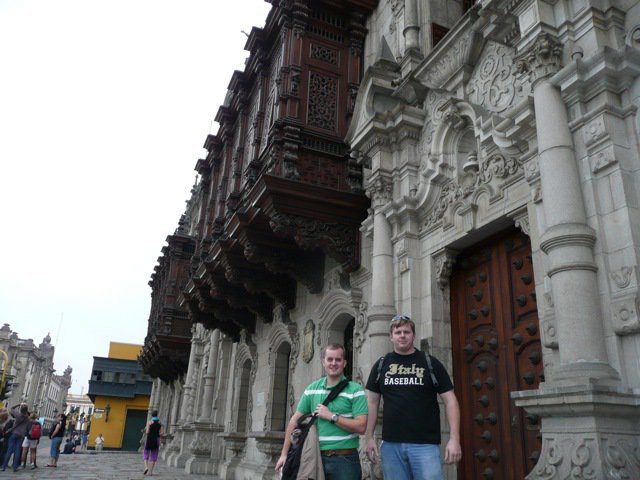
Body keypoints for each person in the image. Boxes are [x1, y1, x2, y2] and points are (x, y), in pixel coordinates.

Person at [365, 315, 462, 480]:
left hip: (425, 445)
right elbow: (372, 403)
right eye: (398, 332)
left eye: (406, 332)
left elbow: (450, 400)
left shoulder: (430, 363)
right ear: (391, 336)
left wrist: (454, 439)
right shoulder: (381, 365)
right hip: (391, 445)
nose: (402, 335)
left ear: (413, 335)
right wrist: (368, 438)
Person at [275, 343, 368, 480]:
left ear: (344, 363)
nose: (333, 363)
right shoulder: (312, 389)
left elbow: (361, 426)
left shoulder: (355, 390)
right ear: (323, 362)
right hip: (315, 459)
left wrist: (332, 416)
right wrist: (284, 454)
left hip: (345, 461)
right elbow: (294, 421)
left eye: (338, 360)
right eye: (330, 359)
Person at [2, 403, 30, 472]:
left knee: (9, 450)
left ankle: (4, 467)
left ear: (21, 410)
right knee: (17, 451)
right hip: (21, 436)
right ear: (26, 411)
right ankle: (15, 467)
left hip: (14, 433)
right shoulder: (27, 418)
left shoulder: (18, 415)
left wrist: (18, 404)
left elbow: (11, 409)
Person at [143, 410, 164, 476]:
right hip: (156, 439)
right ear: (157, 415)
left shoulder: (149, 422)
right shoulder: (160, 422)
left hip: (149, 439)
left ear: (152, 415)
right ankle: (151, 471)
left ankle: (146, 467)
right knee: (154, 454)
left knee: (146, 452)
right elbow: (162, 433)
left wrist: (146, 431)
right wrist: (158, 433)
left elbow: (147, 432)